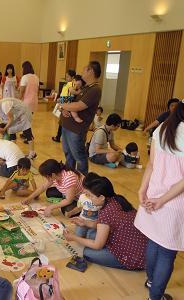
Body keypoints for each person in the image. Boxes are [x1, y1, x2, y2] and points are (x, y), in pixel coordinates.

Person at [135, 100, 184, 300]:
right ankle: (155, 297)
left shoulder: (163, 128)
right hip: (174, 203)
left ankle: (150, 281)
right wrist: (163, 200)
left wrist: (142, 191)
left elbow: (151, 165)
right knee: (166, 251)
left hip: (152, 196)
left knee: (154, 241)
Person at [64, 173, 147, 270]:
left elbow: (97, 245)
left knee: (87, 252)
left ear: (102, 197)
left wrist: (73, 237)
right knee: (91, 236)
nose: (88, 198)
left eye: (90, 196)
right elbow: (108, 224)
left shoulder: (106, 212)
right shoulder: (116, 199)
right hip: (143, 247)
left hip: (134, 257)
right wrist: (86, 223)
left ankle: (128, 264)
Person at [59, 61, 103, 175]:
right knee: (69, 155)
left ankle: (82, 182)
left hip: (76, 129)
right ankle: (70, 180)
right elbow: (72, 102)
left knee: (79, 156)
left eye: (84, 69)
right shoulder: (85, 87)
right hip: (67, 126)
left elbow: (79, 106)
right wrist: (64, 109)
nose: (82, 72)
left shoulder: (95, 90)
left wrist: (62, 105)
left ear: (91, 71)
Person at [52, 70, 76, 142]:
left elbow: (71, 94)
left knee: (63, 121)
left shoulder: (71, 84)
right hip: (63, 102)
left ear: (72, 77)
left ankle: (59, 137)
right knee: (62, 121)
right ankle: (59, 136)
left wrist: (62, 101)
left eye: (68, 77)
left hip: (66, 103)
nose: (66, 78)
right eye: (66, 76)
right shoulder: (67, 84)